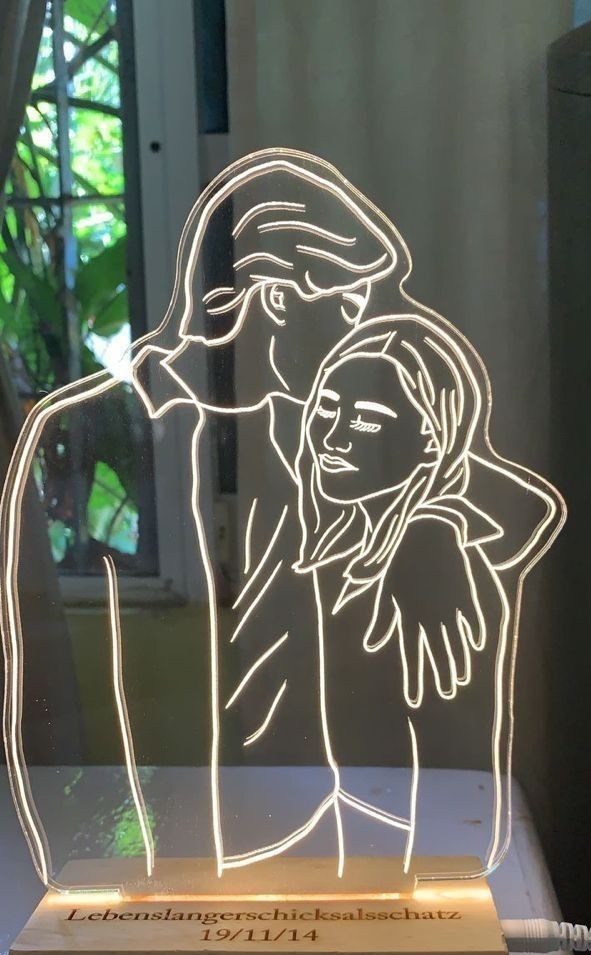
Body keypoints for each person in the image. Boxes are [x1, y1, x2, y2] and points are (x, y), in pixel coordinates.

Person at [0, 149, 414, 888]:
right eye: (351, 306)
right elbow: (75, 722)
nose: (364, 335)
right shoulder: (108, 424)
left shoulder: (304, 428)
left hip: (301, 845)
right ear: (276, 298)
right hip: (135, 867)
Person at [220, 311, 563, 877]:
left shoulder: (438, 574)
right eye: (326, 409)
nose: (332, 437)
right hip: (336, 844)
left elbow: (447, 787)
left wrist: (434, 525)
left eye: (367, 420)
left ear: (432, 438)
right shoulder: (336, 549)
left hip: (413, 866)